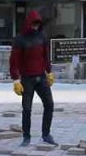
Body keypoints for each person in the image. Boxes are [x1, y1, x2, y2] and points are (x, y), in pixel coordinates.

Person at [9, 9, 57, 147]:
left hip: (41, 76)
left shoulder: (42, 37)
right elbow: (14, 61)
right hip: (27, 79)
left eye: (37, 25)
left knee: (49, 104)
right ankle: (26, 136)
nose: (35, 27)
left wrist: (49, 72)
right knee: (27, 109)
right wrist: (16, 79)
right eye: (33, 24)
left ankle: (46, 134)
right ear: (28, 24)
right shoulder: (19, 39)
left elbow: (45, 57)